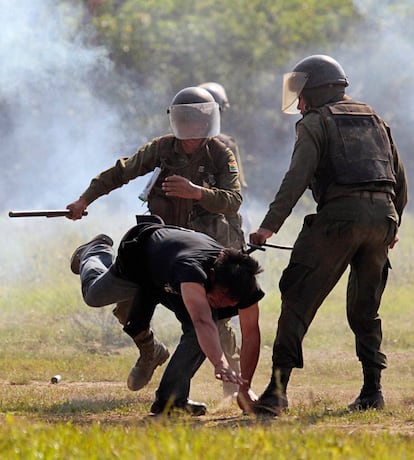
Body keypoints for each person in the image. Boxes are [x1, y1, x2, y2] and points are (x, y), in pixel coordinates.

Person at [250, 54, 408, 415]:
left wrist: (267, 227)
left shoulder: (315, 122)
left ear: (317, 91)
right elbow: (399, 178)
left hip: (338, 219)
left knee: (297, 298)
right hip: (382, 219)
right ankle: (373, 390)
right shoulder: (375, 119)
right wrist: (392, 222)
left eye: (302, 95)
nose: (300, 103)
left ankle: (276, 393)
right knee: (365, 309)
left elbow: (296, 179)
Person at [66, 86, 246, 395]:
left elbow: (233, 199)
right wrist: (85, 199)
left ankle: (235, 382)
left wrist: (197, 192)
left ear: (209, 122)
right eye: (184, 121)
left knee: (214, 319)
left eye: (197, 121)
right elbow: (123, 171)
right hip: (162, 250)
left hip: (204, 250)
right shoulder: (162, 149)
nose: (191, 128)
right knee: (125, 309)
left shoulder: (220, 154)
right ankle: (150, 352)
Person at [70, 220, 263, 415]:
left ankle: (171, 401)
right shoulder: (192, 270)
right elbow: (202, 322)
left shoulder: (247, 288)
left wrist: (245, 389)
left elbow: (251, 336)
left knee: (198, 335)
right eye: (220, 297)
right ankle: (96, 251)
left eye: (231, 302)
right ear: (211, 276)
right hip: (142, 256)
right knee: (94, 296)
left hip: (170, 272)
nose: (224, 305)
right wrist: (220, 363)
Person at [198, 81, 250, 396]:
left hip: (221, 234)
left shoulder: (224, 146)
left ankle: (232, 373)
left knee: (219, 309)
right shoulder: (184, 145)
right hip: (201, 233)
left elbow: (235, 194)